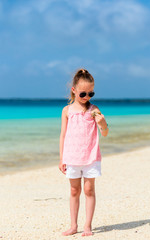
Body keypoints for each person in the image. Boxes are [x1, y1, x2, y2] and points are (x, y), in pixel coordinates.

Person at [59, 68, 109, 237]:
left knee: (89, 190)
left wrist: (103, 123)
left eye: (90, 93)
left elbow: (105, 133)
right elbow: (63, 135)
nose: (86, 97)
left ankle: (87, 226)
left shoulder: (94, 109)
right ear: (74, 91)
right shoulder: (67, 111)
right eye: (83, 94)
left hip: (90, 157)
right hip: (72, 157)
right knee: (74, 191)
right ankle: (73, 225)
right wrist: (62, 158)